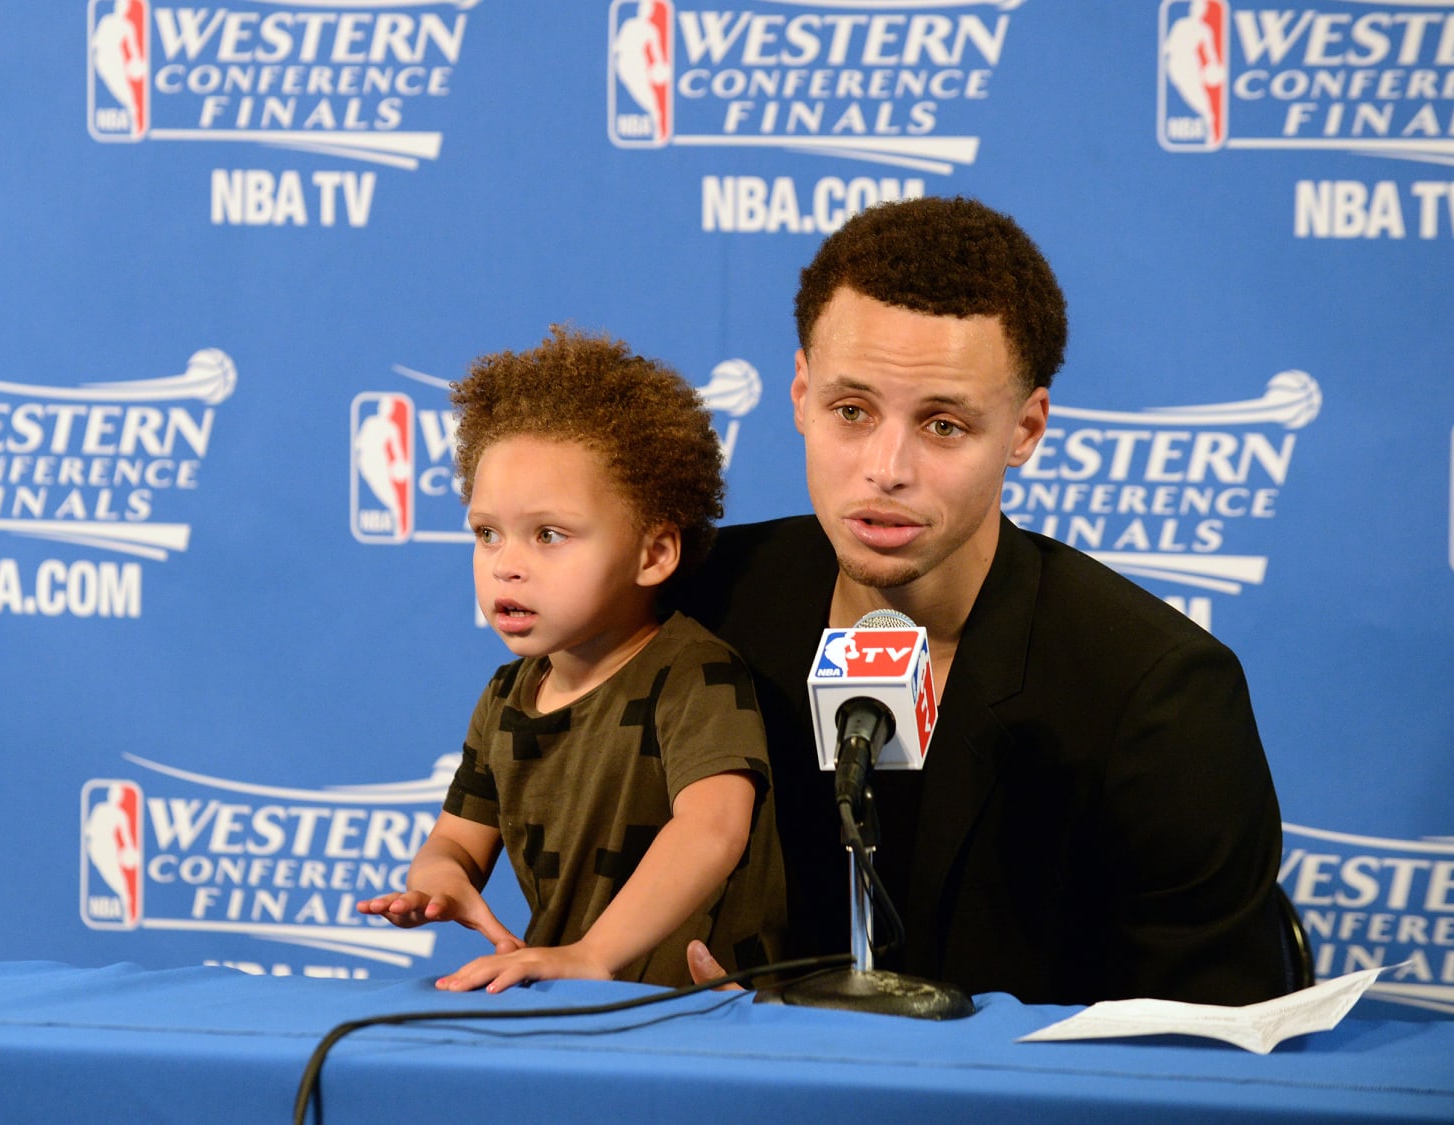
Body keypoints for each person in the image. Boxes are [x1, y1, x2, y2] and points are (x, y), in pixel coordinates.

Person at [668, 196, 1290, 1006]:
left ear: (1026, 429)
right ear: (799, 393)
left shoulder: (1157, 695)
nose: (886, 468)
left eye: (943, 425)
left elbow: (1210, 1053)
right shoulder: (704, 602)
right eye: (851, 411)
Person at [358, 327, 786, 992]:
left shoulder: (693, 673)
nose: (507, 565)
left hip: (702, 1015)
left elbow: (714, 826)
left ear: (653, 554)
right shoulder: (506, 697)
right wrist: (439, 881)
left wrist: (593, 953)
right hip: (571, 1011)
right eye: (487, 533)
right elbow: (456, 841)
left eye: (549, 534)